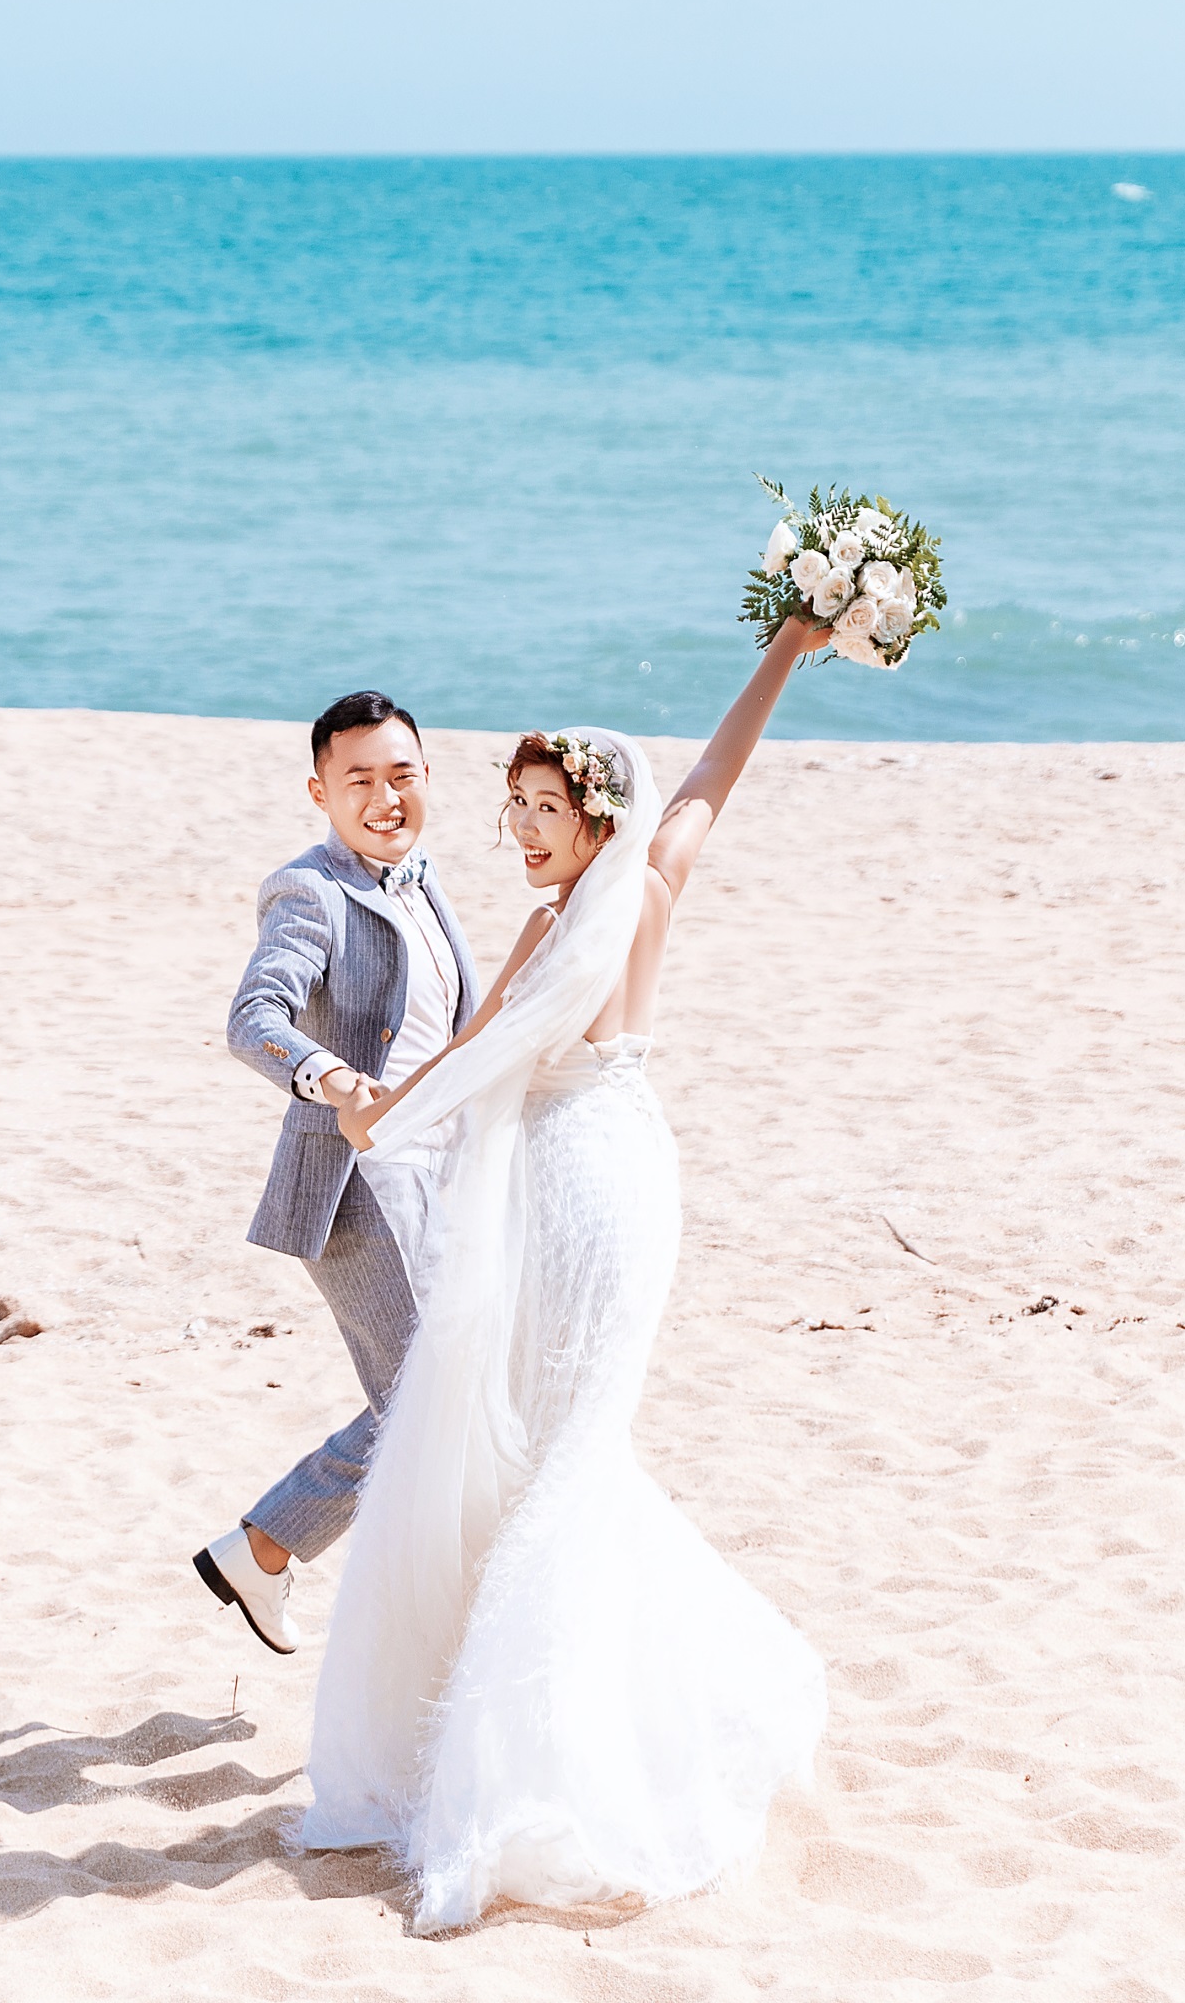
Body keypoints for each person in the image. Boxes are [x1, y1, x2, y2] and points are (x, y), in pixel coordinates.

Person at [301, 617, 834, 1932]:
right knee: (570, 1450)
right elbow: (708, 782)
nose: (526, 831)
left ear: (597, 816)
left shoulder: (567, 924)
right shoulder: (639, 888)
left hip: (582, 1191)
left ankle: (551, 1772)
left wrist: (372, 1118)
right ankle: (632, 1719)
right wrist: (784, 651)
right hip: (629, 1165)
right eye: (516, 809)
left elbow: (472, 1053)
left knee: (562, 1460)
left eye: (546, 809)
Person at [197, 690, 480, 1655]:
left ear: (428, 777)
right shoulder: (309, 890)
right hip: (356, 1186)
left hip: (439, 1180)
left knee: (442, 1399)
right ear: (320, 792)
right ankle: (265, 1549)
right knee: (428, 1404)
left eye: (402, 775)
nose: (385, 797)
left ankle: (271, 1552)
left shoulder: (425, 885)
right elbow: (254, 1018)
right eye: (359, 779)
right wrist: (331, 1079)